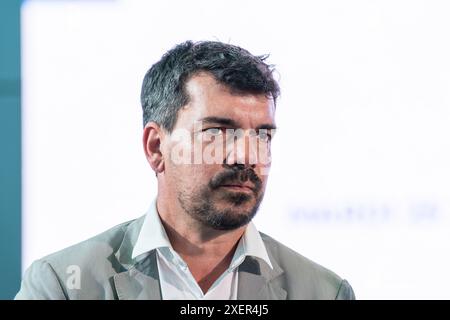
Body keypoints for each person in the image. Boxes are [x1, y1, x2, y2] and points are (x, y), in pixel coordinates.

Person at [15, 40, 355, 300]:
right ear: (156, 147)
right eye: (218, 132)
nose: (246, 155)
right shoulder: (62, 286)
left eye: (262, 134)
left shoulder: (324, 292)